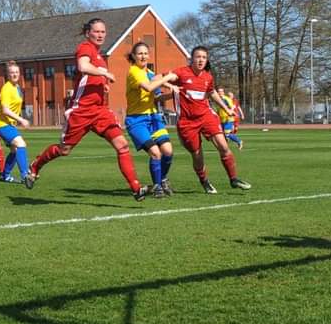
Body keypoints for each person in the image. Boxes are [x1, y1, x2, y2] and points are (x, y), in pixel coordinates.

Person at [25, 18, 149, 201]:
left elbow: (91, 78)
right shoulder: (85, 48)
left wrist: (103, 87)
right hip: (81, 111)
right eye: (96, 31)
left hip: (100, 111)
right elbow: (83, 66)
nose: (100, 35)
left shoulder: (100, 57)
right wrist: (104, 73)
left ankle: (136, 189)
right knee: (64, 150)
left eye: (103, 32)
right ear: (88, 33)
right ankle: (35, 166)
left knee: (122, 145)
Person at [169, 47, 252, 194]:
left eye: (204, 57)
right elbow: (160, 78)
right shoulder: (181, 72)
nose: (201, 60)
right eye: (198, 57)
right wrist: (168, 85)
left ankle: (233, 179)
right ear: (191, 59)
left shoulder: (208, 77)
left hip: (206, 116)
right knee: (197, 155)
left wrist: (226, 109)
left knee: (223, 146)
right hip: (187, 122)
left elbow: (211, 92)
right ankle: (204, 181)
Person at [124, 42, 178, 198]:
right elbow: (148, 87)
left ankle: (162, 179)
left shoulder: (149, 72)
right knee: (155, 153)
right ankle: (157, 186)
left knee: (167, 151)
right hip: (137, 120)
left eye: (146, 53)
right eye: (140, 53)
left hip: (154, 117)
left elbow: (158, 96)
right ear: (133, 56)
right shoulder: (134, 72)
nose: (143, 56)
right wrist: (167, 77)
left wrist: (174, 93)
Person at [0, 61, 32, 183]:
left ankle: (5, 175)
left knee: (14, 150)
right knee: (21, 144)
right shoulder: (7, 88)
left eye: (16, 72)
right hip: (2, 124)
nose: (14, 74)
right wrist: (21, 119)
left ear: (20, 73)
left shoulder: (17, 87)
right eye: (12, 72)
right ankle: (25, 175)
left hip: (9, 124)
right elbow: (5, 110)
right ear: (8, 74)